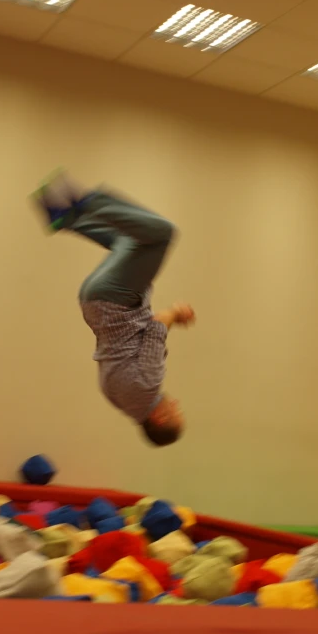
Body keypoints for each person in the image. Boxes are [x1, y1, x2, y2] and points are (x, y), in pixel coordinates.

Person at [33, 170, 196, 447]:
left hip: (115, 298)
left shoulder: (148, 387)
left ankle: (84, 202)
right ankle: (66, 219)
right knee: (128, 241)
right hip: (93, 300)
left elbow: (157, 325)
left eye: (176, 412)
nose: (176, 403)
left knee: (162, 234)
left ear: (160, 418)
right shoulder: (120, 400)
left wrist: (177, 313)